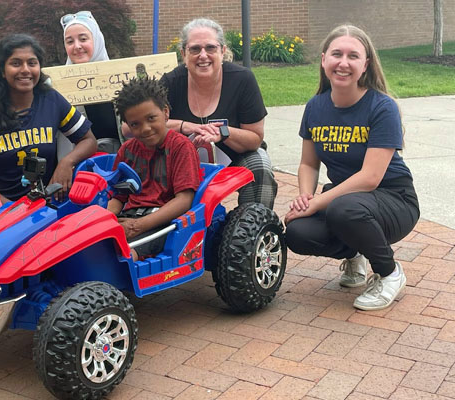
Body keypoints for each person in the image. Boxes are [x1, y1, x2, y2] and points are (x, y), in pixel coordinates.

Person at [284, 25, 419, 311]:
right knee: (296, 230)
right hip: (347, 201)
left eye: (353, 56)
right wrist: (306, 197)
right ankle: (356, 252)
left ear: (365, 64)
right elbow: (309, 163)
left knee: (343, 209)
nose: (343, 62)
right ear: (323, 60)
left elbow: (370, 178)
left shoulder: (382, 107)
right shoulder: (315, 107)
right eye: (336, 54)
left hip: (394, 200)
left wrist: (318, 201)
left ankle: (390, 273)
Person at [0, 33, 97, 204]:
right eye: (16, 63)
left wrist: (67, 162)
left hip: (43, 206)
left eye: (32, 63)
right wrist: (9, 209)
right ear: (2, 70)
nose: (25, 70)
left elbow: (88, 140)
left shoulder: (52, 100)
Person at [159, 18, 277, 209]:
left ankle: (252, 228)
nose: (203, 55)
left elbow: (255, 138)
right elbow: (133, 125)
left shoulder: (242, 79)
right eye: (195, 49)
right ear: (183, 54)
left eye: (210, 48)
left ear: (222, 51)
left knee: (260, 165)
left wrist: (223, 132)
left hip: (233, 156)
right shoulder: (171, 81)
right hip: (181, 160)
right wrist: (184, 126)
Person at [109, 77, 201, 261]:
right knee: (97, 245)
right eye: (135, 124)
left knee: (124, 255)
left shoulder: (180, 147)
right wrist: (104, 221)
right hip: (130, 217)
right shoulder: (126, 151)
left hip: (166, 221)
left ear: (165, 112)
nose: (145, 129)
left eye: (151, 118)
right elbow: (118, 197)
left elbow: (184, 199)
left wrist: (139, 225)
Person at [60, 10, 121, 153]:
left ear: (96, 40)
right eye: (70, 41)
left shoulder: (119, 79)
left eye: (83, 39)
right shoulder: (59, 86)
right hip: (77, 166)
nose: (77, 46)